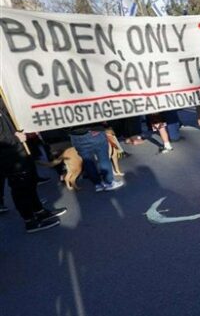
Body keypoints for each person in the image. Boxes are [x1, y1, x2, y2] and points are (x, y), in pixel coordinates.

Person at [1, 99, 66, 232]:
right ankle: (30, 221)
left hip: (20, 150)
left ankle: (39, 211)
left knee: (30, 182)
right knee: (20, 187)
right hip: (9, 155)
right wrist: (15, 138)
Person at [66, 122, 126, 191]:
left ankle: (98, 184)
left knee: (87, 161)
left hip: (76, 136)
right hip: (94, 132)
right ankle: (109, 183)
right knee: (103, 158)